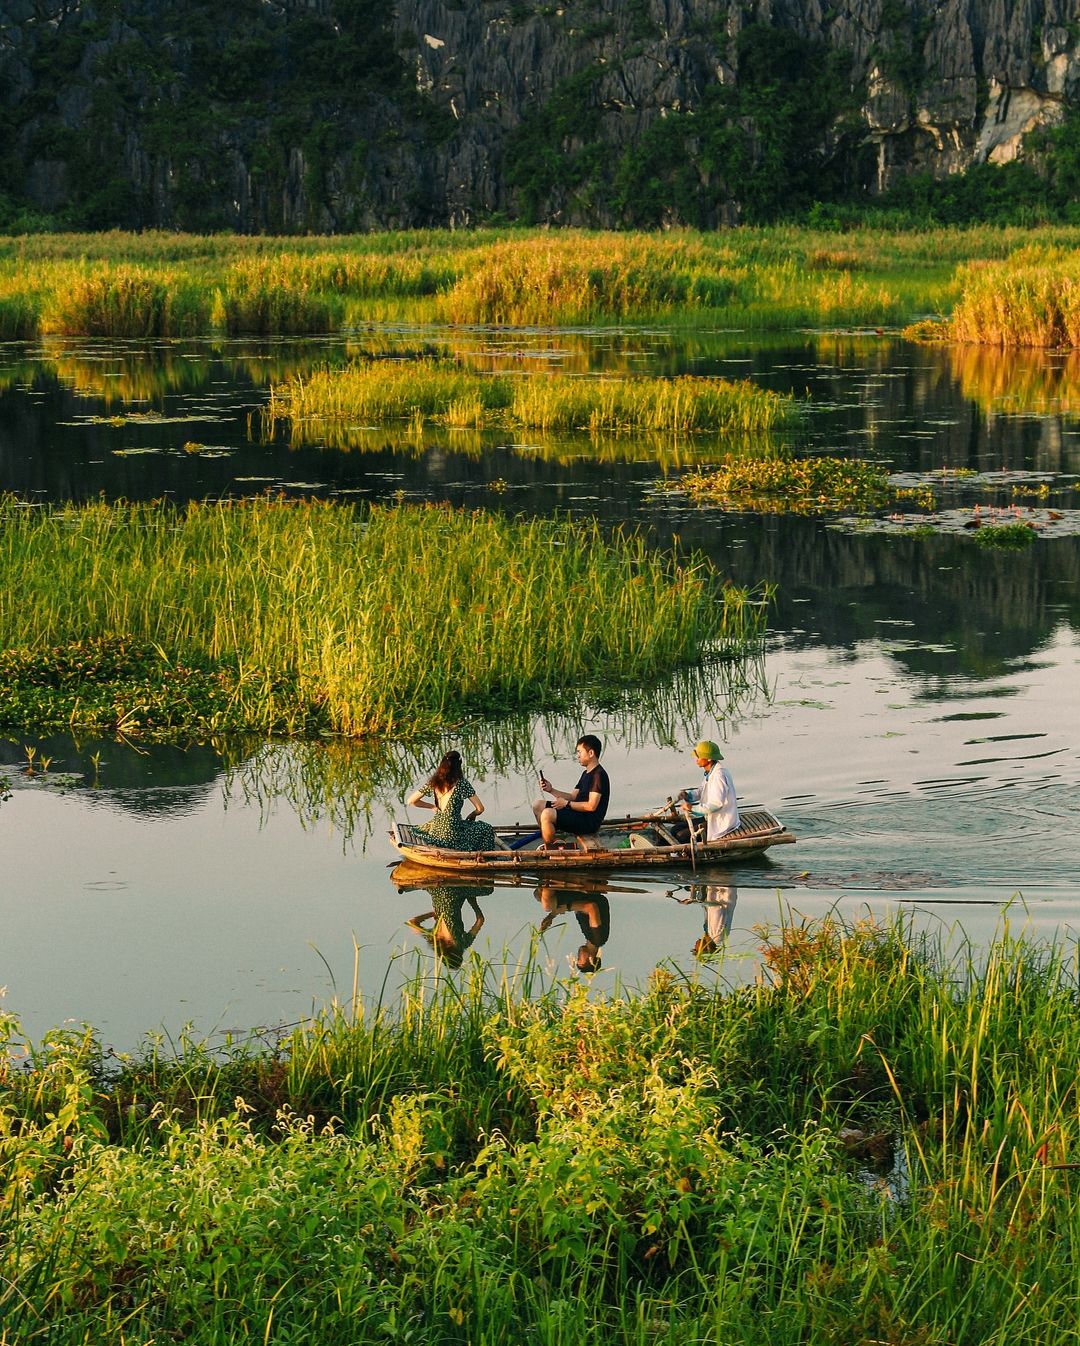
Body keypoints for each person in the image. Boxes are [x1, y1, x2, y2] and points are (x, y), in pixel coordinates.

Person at [406, 750, 497, 851]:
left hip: (436, 832)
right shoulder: (462, 784)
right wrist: (473, 815)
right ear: (459, 765)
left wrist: (432, 806)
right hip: (453, 834)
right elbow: (480, 808)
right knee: (486, 828)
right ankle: (484, 854)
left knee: (456, 825)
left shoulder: (433, 782)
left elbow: (411, 801)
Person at [532, 735, 610, 849]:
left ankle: (552, 850)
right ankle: (553, 841)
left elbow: (591, 806)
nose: (578, 756)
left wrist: (566, 804)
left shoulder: (598, 776)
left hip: (588, 822)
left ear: (591, 753)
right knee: (538, 805)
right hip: (577, 813)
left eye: (580, 752)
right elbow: (573, 796)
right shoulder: (586, 773)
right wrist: (551, 790)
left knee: (547, 814)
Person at [670, 739, 740, 844]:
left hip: (721, 822)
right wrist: (687, 795)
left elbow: (717, 804)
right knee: (675, 829)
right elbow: (701, 791)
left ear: (708, 759)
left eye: (698, 757)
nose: (696, 759)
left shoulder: (719, 775)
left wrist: (692, 808)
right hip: (709, 817)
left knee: (682, 837)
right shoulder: (710, 772)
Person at [406, 884, 489, 969]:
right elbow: (412, 923)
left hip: (453, 892)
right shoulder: (435, 939)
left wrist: (472, 901)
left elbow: (480, 919)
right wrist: (434, 913)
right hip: (436, 890)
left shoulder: (462, 944)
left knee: (488, 890)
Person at [535, 883, 611, 973]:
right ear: (590, 959)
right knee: (547, 905)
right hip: (590, 896)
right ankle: (550, 881)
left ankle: (550, 883)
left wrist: (551, 916)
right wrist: (566, 907)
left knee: (539, 896)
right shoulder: (598, 938)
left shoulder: (590, 938)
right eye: (580, 958)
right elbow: (591, 907)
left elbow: (577, 908)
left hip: (584, 897)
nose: (578, 955)